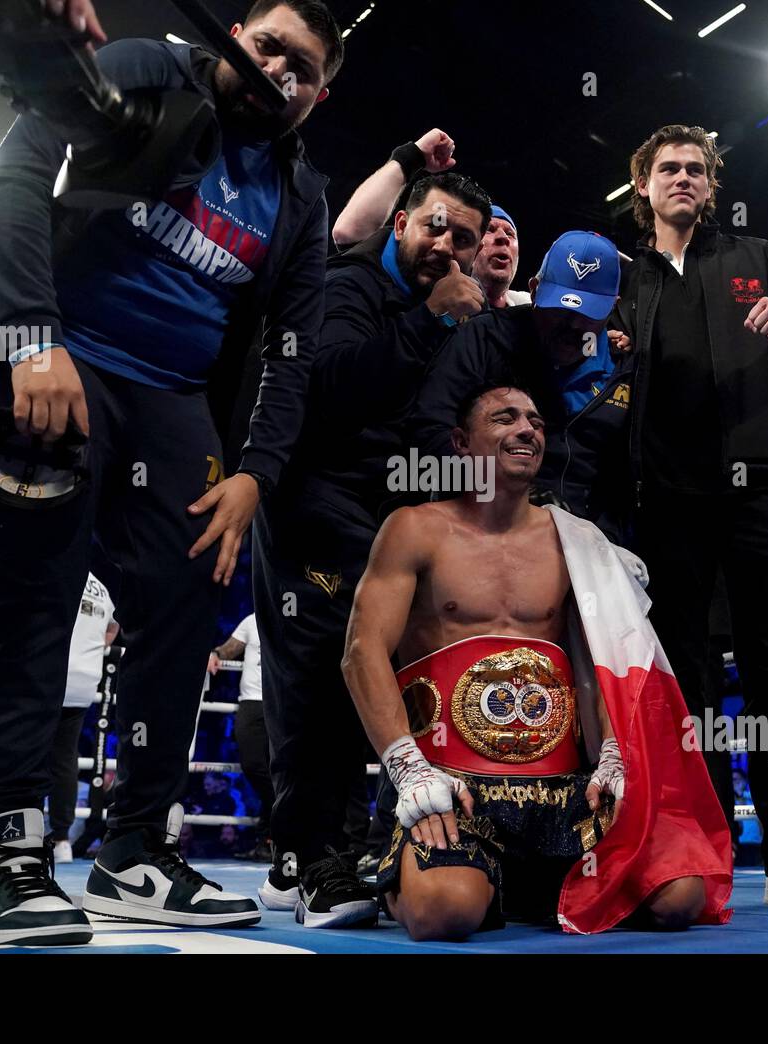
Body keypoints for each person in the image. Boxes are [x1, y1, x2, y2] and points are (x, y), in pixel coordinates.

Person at [0, 0, 345, 946]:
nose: (282, 71)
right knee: (29, 596)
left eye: (306, 69)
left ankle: (136, 850)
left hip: (174, 399)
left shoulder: (301, 191)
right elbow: (15, 176)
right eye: (271, 45)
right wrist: (32, 336)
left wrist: (255, 475)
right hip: (56, 350)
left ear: (319, 96)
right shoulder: (149, 69)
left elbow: (291, 347)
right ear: (237, 32)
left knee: (184, 601)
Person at [341, 383, 732, 940]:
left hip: (563, 791)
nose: (528, 429)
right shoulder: (416, 527)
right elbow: (361, 653)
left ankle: (517, 882)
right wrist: (408, 768)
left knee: (678, 899)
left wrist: (614, 755)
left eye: (537, 422)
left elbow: (598, 668)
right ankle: (404, 872)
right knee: (444, 914)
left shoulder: (577, 543)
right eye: (505, 418)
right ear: (460, 441)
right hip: (451, 785)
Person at [611, 123, 768, 909]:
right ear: (644, 187)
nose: (683, 178)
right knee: (688, 685)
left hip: (760, 489)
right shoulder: (623, 281)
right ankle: (704, 851)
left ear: (713, 185)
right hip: (670, 503)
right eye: (668, 169)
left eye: (696, 169)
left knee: (767, 669)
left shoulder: (763, 262)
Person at [253, 170, 490, 927]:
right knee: (319, 684)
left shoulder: (458, 311)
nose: (445, 245)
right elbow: (323, 390)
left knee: (371, 689)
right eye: (435, 226)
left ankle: (332, 853)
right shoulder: (346, 286)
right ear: (399, 224)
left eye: (463, 236)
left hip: (389, 519)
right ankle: (309, 861)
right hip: (312, 509)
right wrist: (427, 320)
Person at [414, 230, 632, 539]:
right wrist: (508, 494)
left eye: (587, 315)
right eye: (559, 310)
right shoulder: (484, 339)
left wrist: (607, 547)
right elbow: (428, 432)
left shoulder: (625, 367)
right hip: (479, 529)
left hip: (591, 548)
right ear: (534, 290)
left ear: (613, 307)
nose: (571, 326)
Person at [331, 128, 530, 306]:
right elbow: (349, 233)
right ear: (402, 227)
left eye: (510, 233)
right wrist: (409, 157)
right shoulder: (362, 282)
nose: (444, 246)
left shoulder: (526, 309)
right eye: (491, 229)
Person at [48, 573, 118, 863]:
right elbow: (114, 625)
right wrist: (93, 650)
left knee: (21, 750)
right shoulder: (100, 588)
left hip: (51, 673)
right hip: (85, 679)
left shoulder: (59, 571)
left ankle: (9, 834)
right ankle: (61, 840)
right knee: (64, 758)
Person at [208, 612, 273, 860]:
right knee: (253, 765)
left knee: (281, 770)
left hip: (284, 700)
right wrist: (216, 654)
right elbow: (230, 648)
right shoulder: (252, 620)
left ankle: (268, 839)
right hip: (252, 703)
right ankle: (281, 817)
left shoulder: (296, 615)